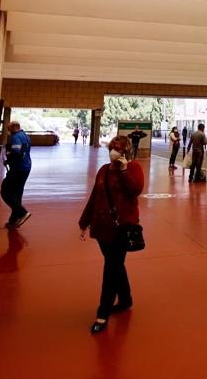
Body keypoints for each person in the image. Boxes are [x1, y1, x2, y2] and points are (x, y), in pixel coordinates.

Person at [78, 135, 145, 334]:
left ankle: (103, 312)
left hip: (122, 227)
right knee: (115, 264)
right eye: (112, 148)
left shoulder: (133, 168)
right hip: (101, 226)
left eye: (118, 149)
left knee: (111, 268)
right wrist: (84, 221)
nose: (114, 152)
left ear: (126, 152)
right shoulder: (103, 170)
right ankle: (125, 299)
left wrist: (124, 170)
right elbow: (94, 196)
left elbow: (135, 190)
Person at [2, 121, 33, 228]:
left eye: (10, 129)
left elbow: (16, 152)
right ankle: (13, 220)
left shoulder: (16, 137)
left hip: (18, 168)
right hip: (26, 167)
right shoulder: (25, 136)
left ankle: (22, 212)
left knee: (5, 192)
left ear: (15, 127)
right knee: (17, 193)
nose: (9, 132)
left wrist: (9, 159)